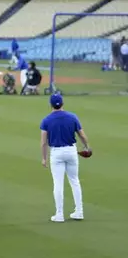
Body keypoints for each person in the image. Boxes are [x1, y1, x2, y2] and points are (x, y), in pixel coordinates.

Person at [40, 93, 90, 222]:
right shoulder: (72, 117)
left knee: (58, 183)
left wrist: (44, 158)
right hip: (71, 151)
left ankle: (59, 214)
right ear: (62, 103)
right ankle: (79, 211)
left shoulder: (46, 120)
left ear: (50, 105)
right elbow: (82, 135)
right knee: (74, 181)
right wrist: (86, 146)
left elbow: (43, 142)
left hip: (56, 153)